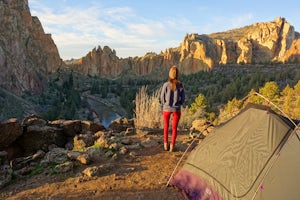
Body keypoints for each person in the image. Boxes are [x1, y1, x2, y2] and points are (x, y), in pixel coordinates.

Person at [160, 65, 185, 152]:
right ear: (177, 74)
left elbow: (162, 97)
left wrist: (165, 104)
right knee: (174, 128)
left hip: (166, 109)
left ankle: (165, 144)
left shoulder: (165, 85)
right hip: (176, 109)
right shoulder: (180, 85)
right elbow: (183, 99)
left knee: (166, 126)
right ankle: (172, 146)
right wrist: (178, 104)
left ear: (170, 74)